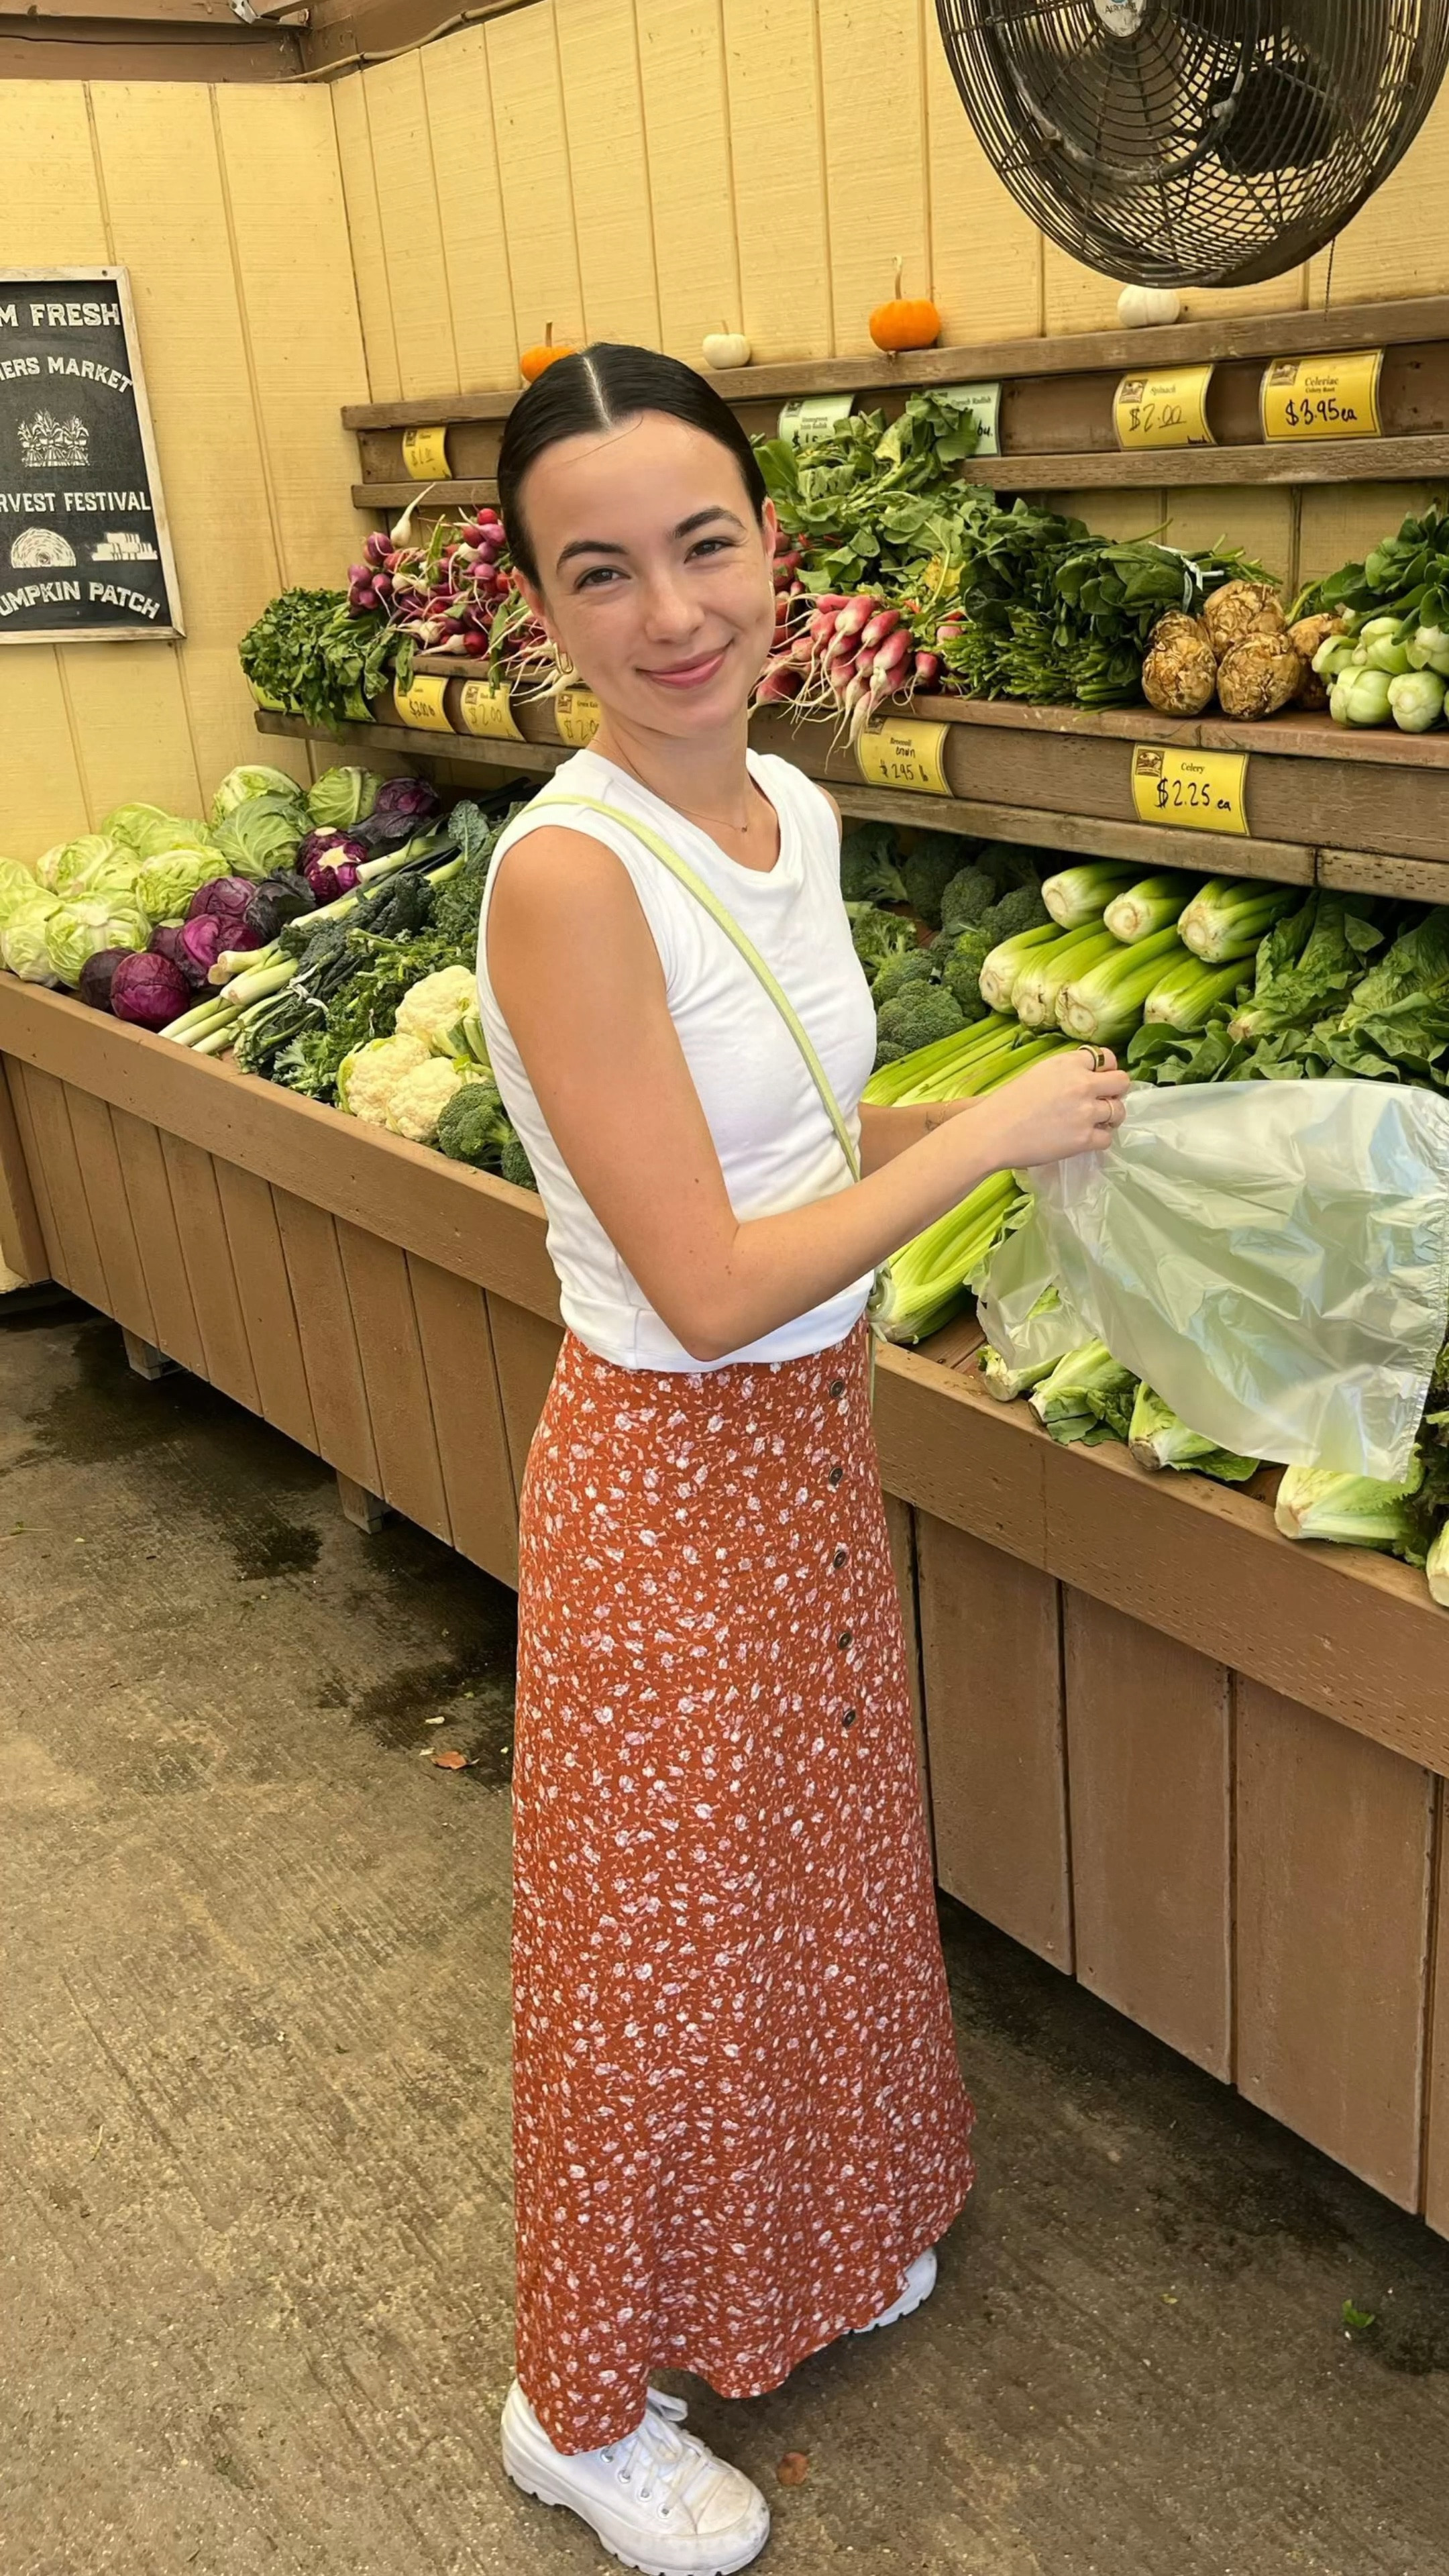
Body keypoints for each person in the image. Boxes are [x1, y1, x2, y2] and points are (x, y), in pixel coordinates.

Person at [476, 343, 1130, 2576]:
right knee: (650, 1953)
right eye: (602, 572)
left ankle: (815, 2251)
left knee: (814, 1886)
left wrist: (956, 1135)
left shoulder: (789, 812)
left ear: (773, 546)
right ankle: (578, 2406)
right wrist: (992, 1150)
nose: (672, 612)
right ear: (536, 607)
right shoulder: (572, 878)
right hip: (666, 1471)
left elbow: (791, 1148)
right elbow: (706, 1276)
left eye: (705, 545)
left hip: (805, 1448)